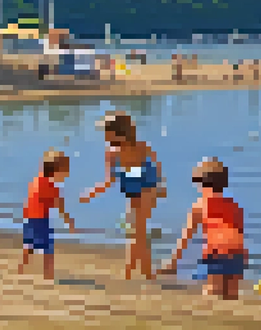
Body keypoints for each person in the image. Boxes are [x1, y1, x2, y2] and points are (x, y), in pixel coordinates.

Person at [80, 111, 167, 280]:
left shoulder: (139, 147)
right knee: (133, 231)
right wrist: (91, 193)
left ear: (119, 131)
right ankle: (131, 271)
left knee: (139, 232)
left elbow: (155, 165)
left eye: (107, 132)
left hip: (146, 187)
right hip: (133, 186)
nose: (105, 136)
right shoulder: (114, 152)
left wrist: (160, 185)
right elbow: (110, 180)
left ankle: (146, 272)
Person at [159, 158, 246, 300]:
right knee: (231, 294)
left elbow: (186, 236)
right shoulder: (234, 205)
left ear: (200, 183)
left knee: (213, 291)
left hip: (217, 251)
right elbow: (239, 233)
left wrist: (173, 262)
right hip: (237, 253)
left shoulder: (200, 205)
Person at [19, 149, 77, 280]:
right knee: (47, 248)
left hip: (29, 218)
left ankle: (22, 267)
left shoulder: (37, 179)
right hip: (40, 219)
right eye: (65, 171)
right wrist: (69, 221)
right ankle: (48, 274)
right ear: (56, 172)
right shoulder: (51, 187)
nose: (67, 174)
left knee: (29, 244)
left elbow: (33, 199)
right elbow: (59, 206)